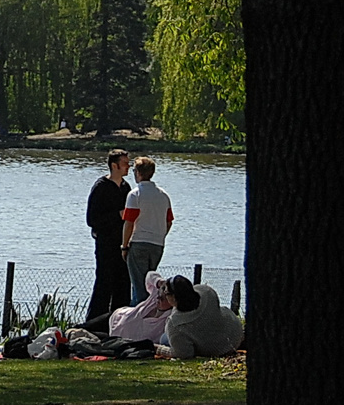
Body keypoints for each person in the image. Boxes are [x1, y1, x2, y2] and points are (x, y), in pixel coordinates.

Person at [84, 148, 132, 320]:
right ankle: (95, 322)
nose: (129, 167)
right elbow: (91, 220)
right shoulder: (101, 187)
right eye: (125, 163)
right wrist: (117, 215)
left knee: (123, 284)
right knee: (104, 283)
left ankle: (119, 323)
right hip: (105, 244)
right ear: (114, 165)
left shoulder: (126, 188)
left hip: (123, 245)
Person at [121, 156, 173, 305]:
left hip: (138, 243)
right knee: (151, 284)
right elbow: (168, 221)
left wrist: (124, 246)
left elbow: (129, 223)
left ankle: (136, 319)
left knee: (139, 288)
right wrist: (160, 235)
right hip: (157, 245)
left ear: (138, 172)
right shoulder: (163, 195)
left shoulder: (135, 194)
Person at [163, 274, 244, 359]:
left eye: (166, 293)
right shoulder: (207, 292)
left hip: (217, 350)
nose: (165, 296)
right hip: (235, 331)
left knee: (164, 339)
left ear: (174, 297)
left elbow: (183, 354)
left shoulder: (175, 324)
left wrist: (159, 349)